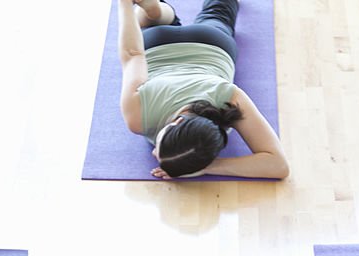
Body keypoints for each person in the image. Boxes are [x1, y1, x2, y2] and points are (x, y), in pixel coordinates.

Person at [117, 0, 288, 179]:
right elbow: (133, 54)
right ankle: (155, 13)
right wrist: (125, 5)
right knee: (142, 22)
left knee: (219, 9)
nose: (153, 154)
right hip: (157, 43)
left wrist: (208, 167)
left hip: (210, 41)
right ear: (177, 123)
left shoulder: (228, 98)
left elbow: (278, 164)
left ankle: (157, 12)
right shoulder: (136, 116)